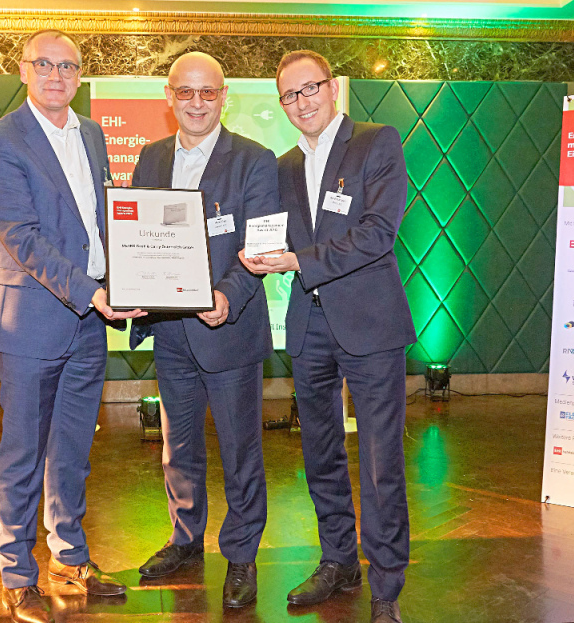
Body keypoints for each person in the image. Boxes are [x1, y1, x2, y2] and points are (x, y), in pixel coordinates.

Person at [0, 29, 145, 623]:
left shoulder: (91, 134)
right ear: (23, 70)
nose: (55, 75)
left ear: (80, 75)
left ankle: (69, 560)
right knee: (23, 453)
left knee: (71, 447)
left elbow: (99, 223)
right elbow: (21, 237)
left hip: (88, 320)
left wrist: (129, 277)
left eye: (67, 66)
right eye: (43, 64)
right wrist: (93, 292)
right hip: (30, 320)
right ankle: (18, 576)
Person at [239, 49, 416, 623]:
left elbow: (378, 232)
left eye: (310, 88)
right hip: (308, 325)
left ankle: (386, 586)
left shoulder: (376, 141)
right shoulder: (284, 165)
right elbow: (273, 233)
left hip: (370, 323)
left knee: (381, 461)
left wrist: (297, 260)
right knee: (319, 453)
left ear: (332, 87)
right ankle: (338, 561)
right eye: (290, 95)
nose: (302, 101)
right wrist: (253, 253)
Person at [129, 51, 281, 608]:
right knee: (178, 449)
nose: (197, 103)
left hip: (228, 331)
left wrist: (228, 295)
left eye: (208, 92)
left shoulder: (255, 160)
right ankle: (186, 540)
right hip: (171, 333)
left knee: (241, 452)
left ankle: (241, 554)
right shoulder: (150, 157)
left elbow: (261, 247)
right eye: (186, 92)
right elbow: (138, 238)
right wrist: (132, 287)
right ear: (169, 97)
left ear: (224, 97)